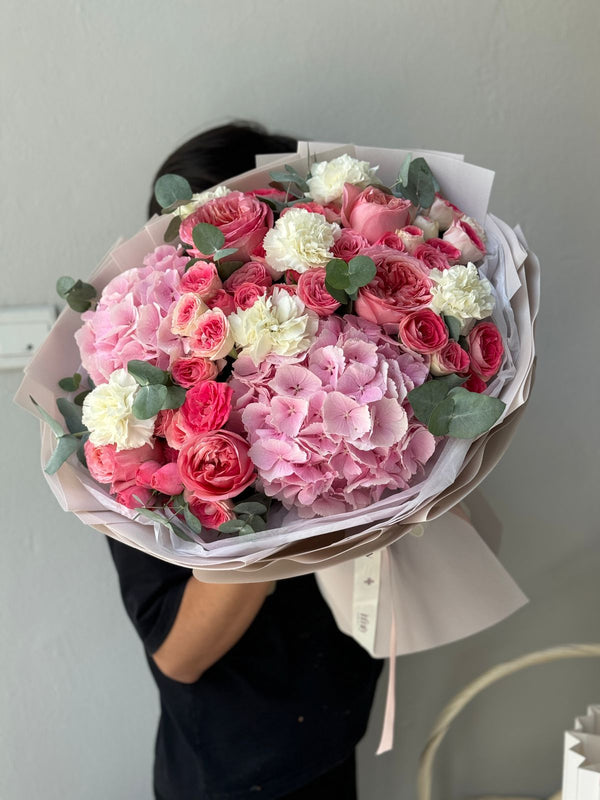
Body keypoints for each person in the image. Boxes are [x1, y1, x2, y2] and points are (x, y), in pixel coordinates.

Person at [108, 121, 384, 800]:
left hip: (334, 731)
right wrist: (271, 486)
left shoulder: (342, 363)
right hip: (228, 771)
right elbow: (179, 654)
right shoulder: (138, 419)